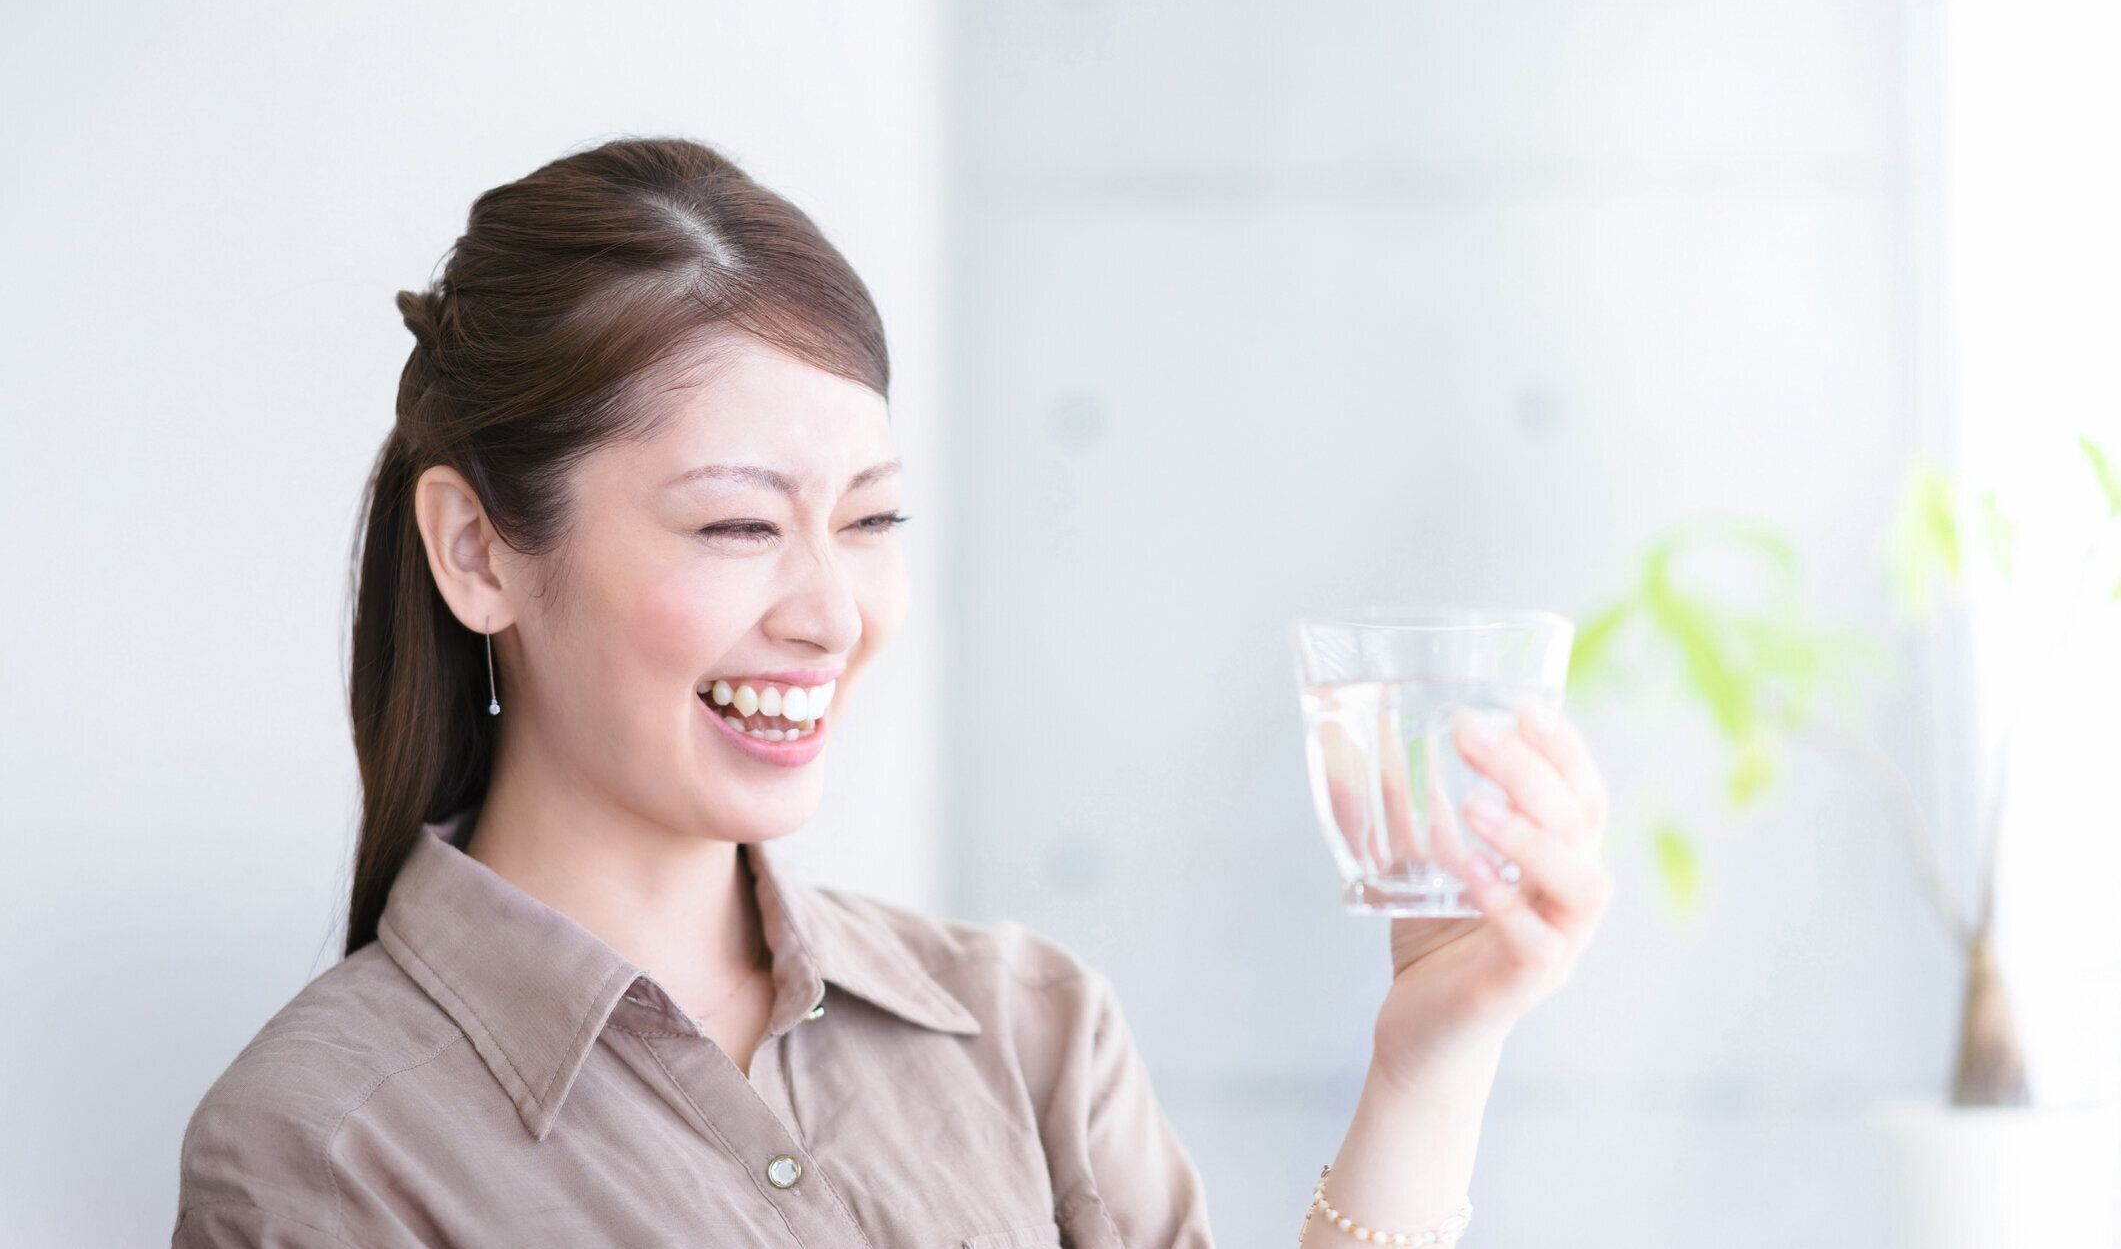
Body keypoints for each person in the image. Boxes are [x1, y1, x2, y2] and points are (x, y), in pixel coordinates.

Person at [171, 137, 1614, 1248]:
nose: (829, 612)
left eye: (868, 522)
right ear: (477, 551)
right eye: (737, 525)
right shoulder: (323, 1148)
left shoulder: (1020, 1026)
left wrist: (1432, 1050)